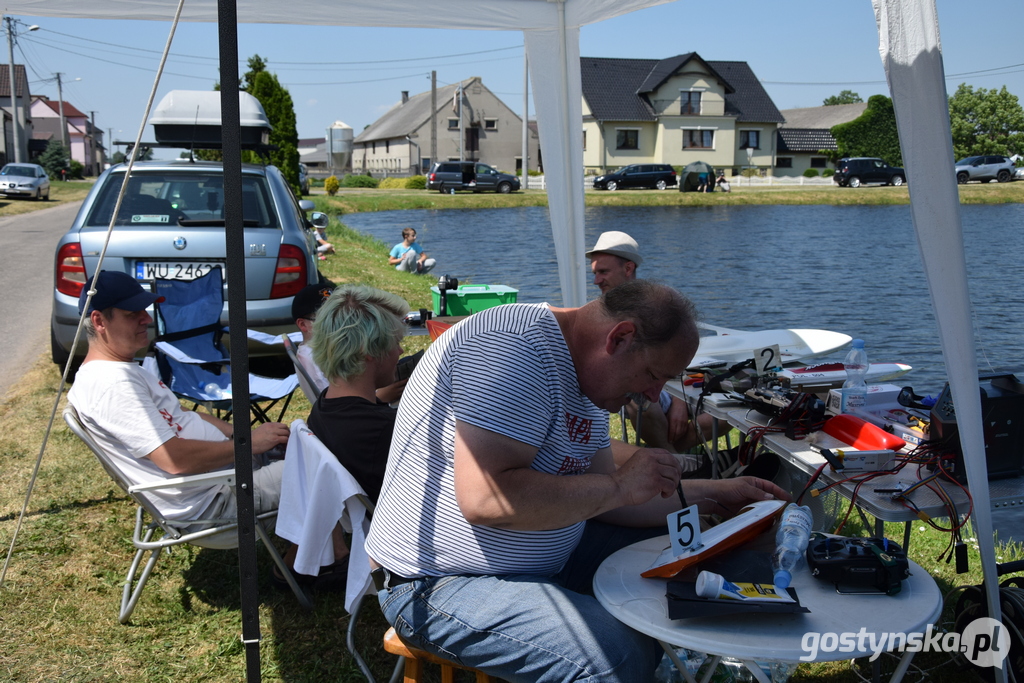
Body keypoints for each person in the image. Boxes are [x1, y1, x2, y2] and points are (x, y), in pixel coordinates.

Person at [364, 280, 788, 682]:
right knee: (612, 657)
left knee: (718, 561)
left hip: (552, 554)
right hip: (438, 582)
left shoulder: (586, 375)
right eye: (653, 375)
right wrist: (619, 485)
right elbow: (488, 500)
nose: (651, 394)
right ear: (619, 338)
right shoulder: (513, 349)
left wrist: (714, 497)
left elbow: (609, 494)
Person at [67, 271, 291, 528]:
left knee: (310, 445)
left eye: (144, 310)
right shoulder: (113, 386)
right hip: (213, 501)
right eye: (133, 314)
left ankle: (313, 552)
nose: (146, 319)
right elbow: (174, 459)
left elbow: (183, 414)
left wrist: (241, 435)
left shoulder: (123, 369)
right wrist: (248, 445)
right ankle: (307, 563)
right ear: (99, 321)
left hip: (221, 475)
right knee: (319, 466)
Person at [586, 231, 719, 455]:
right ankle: (676, 461)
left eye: (603, 272)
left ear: (628, 269)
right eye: (595, 273)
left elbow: (679, 355)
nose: (596, 280)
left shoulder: (658, 305)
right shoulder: (599, 312)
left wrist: (679, 400)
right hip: (643, 389)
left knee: (732, 409)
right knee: (638, 399)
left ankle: (670, 457)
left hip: (675, 384)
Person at [306, 285, 408, 504]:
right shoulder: (384, 430)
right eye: (396, 343)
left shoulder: (324, 405)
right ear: (368, 350)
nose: (400, 352)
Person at [292, 283, 407, 405]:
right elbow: (338, 405)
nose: (340, 324)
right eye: (327, 318)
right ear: (303, 325)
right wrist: (380, 397)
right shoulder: (314, 359)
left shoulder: (328, 350)